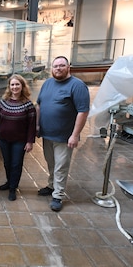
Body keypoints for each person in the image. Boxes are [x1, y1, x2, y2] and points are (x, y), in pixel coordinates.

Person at [36, 56, 90, 212]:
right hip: (47, 134)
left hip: (64, 137)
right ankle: (52, 185)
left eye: (61, 65)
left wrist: (75, 135)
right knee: (51, 163)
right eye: (55, 66)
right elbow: (39, 105)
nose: (58, 68)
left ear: (68, 67)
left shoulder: (77, 86)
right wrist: (38, 125)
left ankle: (58, 195)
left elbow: (83, 112)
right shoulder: (47, 84)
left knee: (61, 166)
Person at [0, 74, 36, 201]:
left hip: (20, 141)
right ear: (9, 87)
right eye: (12, 84)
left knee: (16, 164)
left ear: (22, 86)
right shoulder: (3, 102)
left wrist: (30, 141)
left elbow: (32, 125)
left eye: (17, 84)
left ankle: (13, 188)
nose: (15, 87)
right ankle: (9, 182)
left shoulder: (28, 105)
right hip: (4, 139)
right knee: (7, 163)